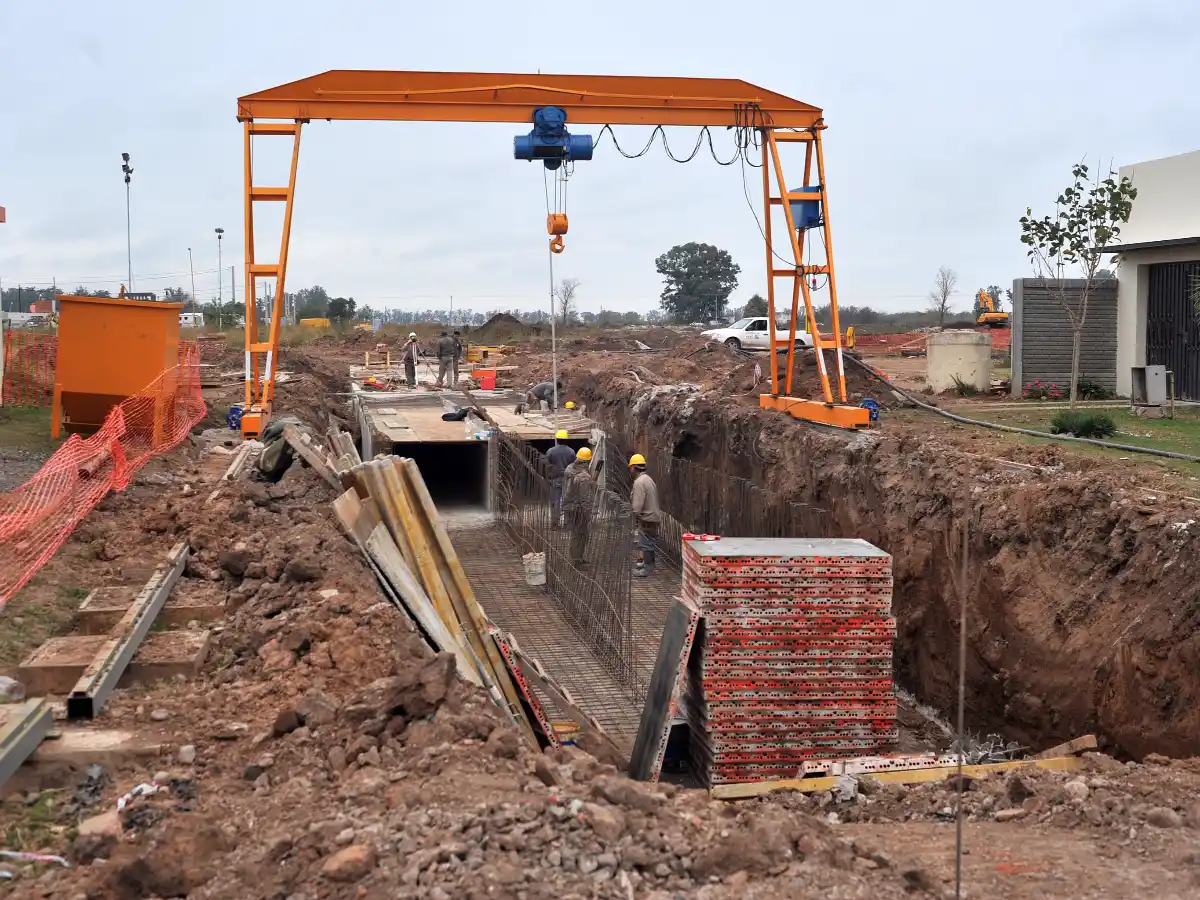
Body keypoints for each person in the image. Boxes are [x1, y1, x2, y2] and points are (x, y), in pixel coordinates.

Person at [629, 453, 661, 577]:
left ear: (633, 467)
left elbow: (637, 505)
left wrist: (632, 516)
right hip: (653, 516)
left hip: (647, 517)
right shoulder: (648, 479)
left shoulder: (639, 482)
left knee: (646, 543)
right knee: (649, 542)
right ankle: (649, 565)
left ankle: (647, 568)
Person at [563, 446, 596, 565]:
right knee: (580, 533)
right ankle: (577, 559)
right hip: (578, 509)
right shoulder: (583, 477)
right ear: (587, 462)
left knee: (576, 533)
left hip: (569, 506)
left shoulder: (569, 469)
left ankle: (577, 557)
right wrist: (588, 514)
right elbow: (585, 499)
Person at [545, 429, 576, 524]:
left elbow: (547, 464)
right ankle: (567, 522)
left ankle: (555, 522)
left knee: (556, 500)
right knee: (567, 500)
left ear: (557, 439)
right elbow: (573, 466)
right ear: (566, 440)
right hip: (568, 478)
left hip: (555, 478)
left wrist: (549, 476)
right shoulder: (571, 451)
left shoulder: (550, 451)